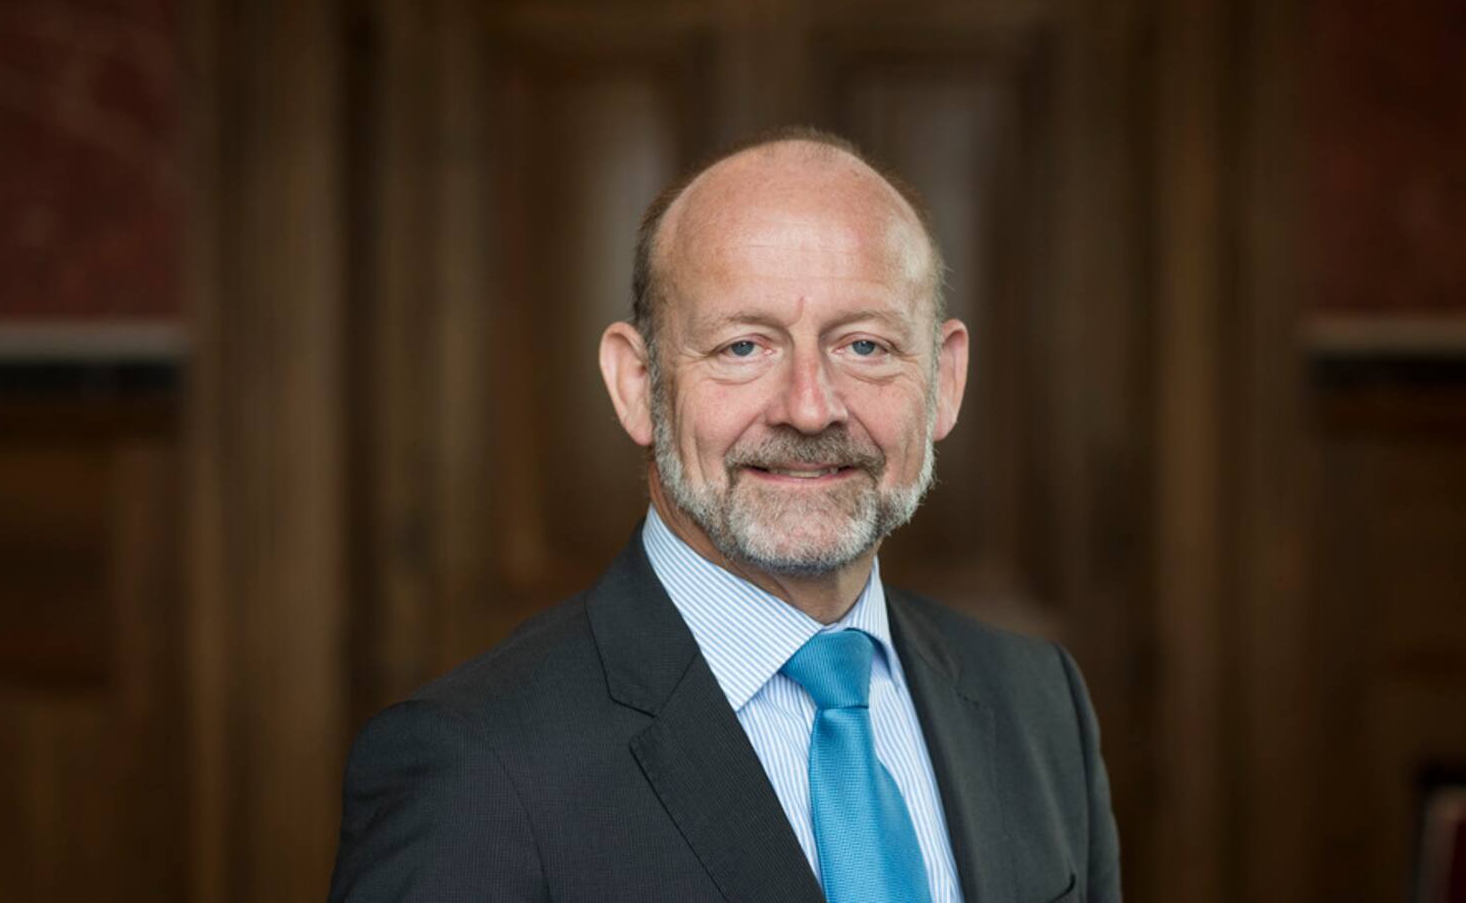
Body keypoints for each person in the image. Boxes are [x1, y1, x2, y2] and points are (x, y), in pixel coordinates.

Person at [328, 128, 1121, 903]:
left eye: (865, 346)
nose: (809, 408)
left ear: (944, 380)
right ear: (637, 384)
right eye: (743, 347)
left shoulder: (1036, 702)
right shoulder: (475, 767)